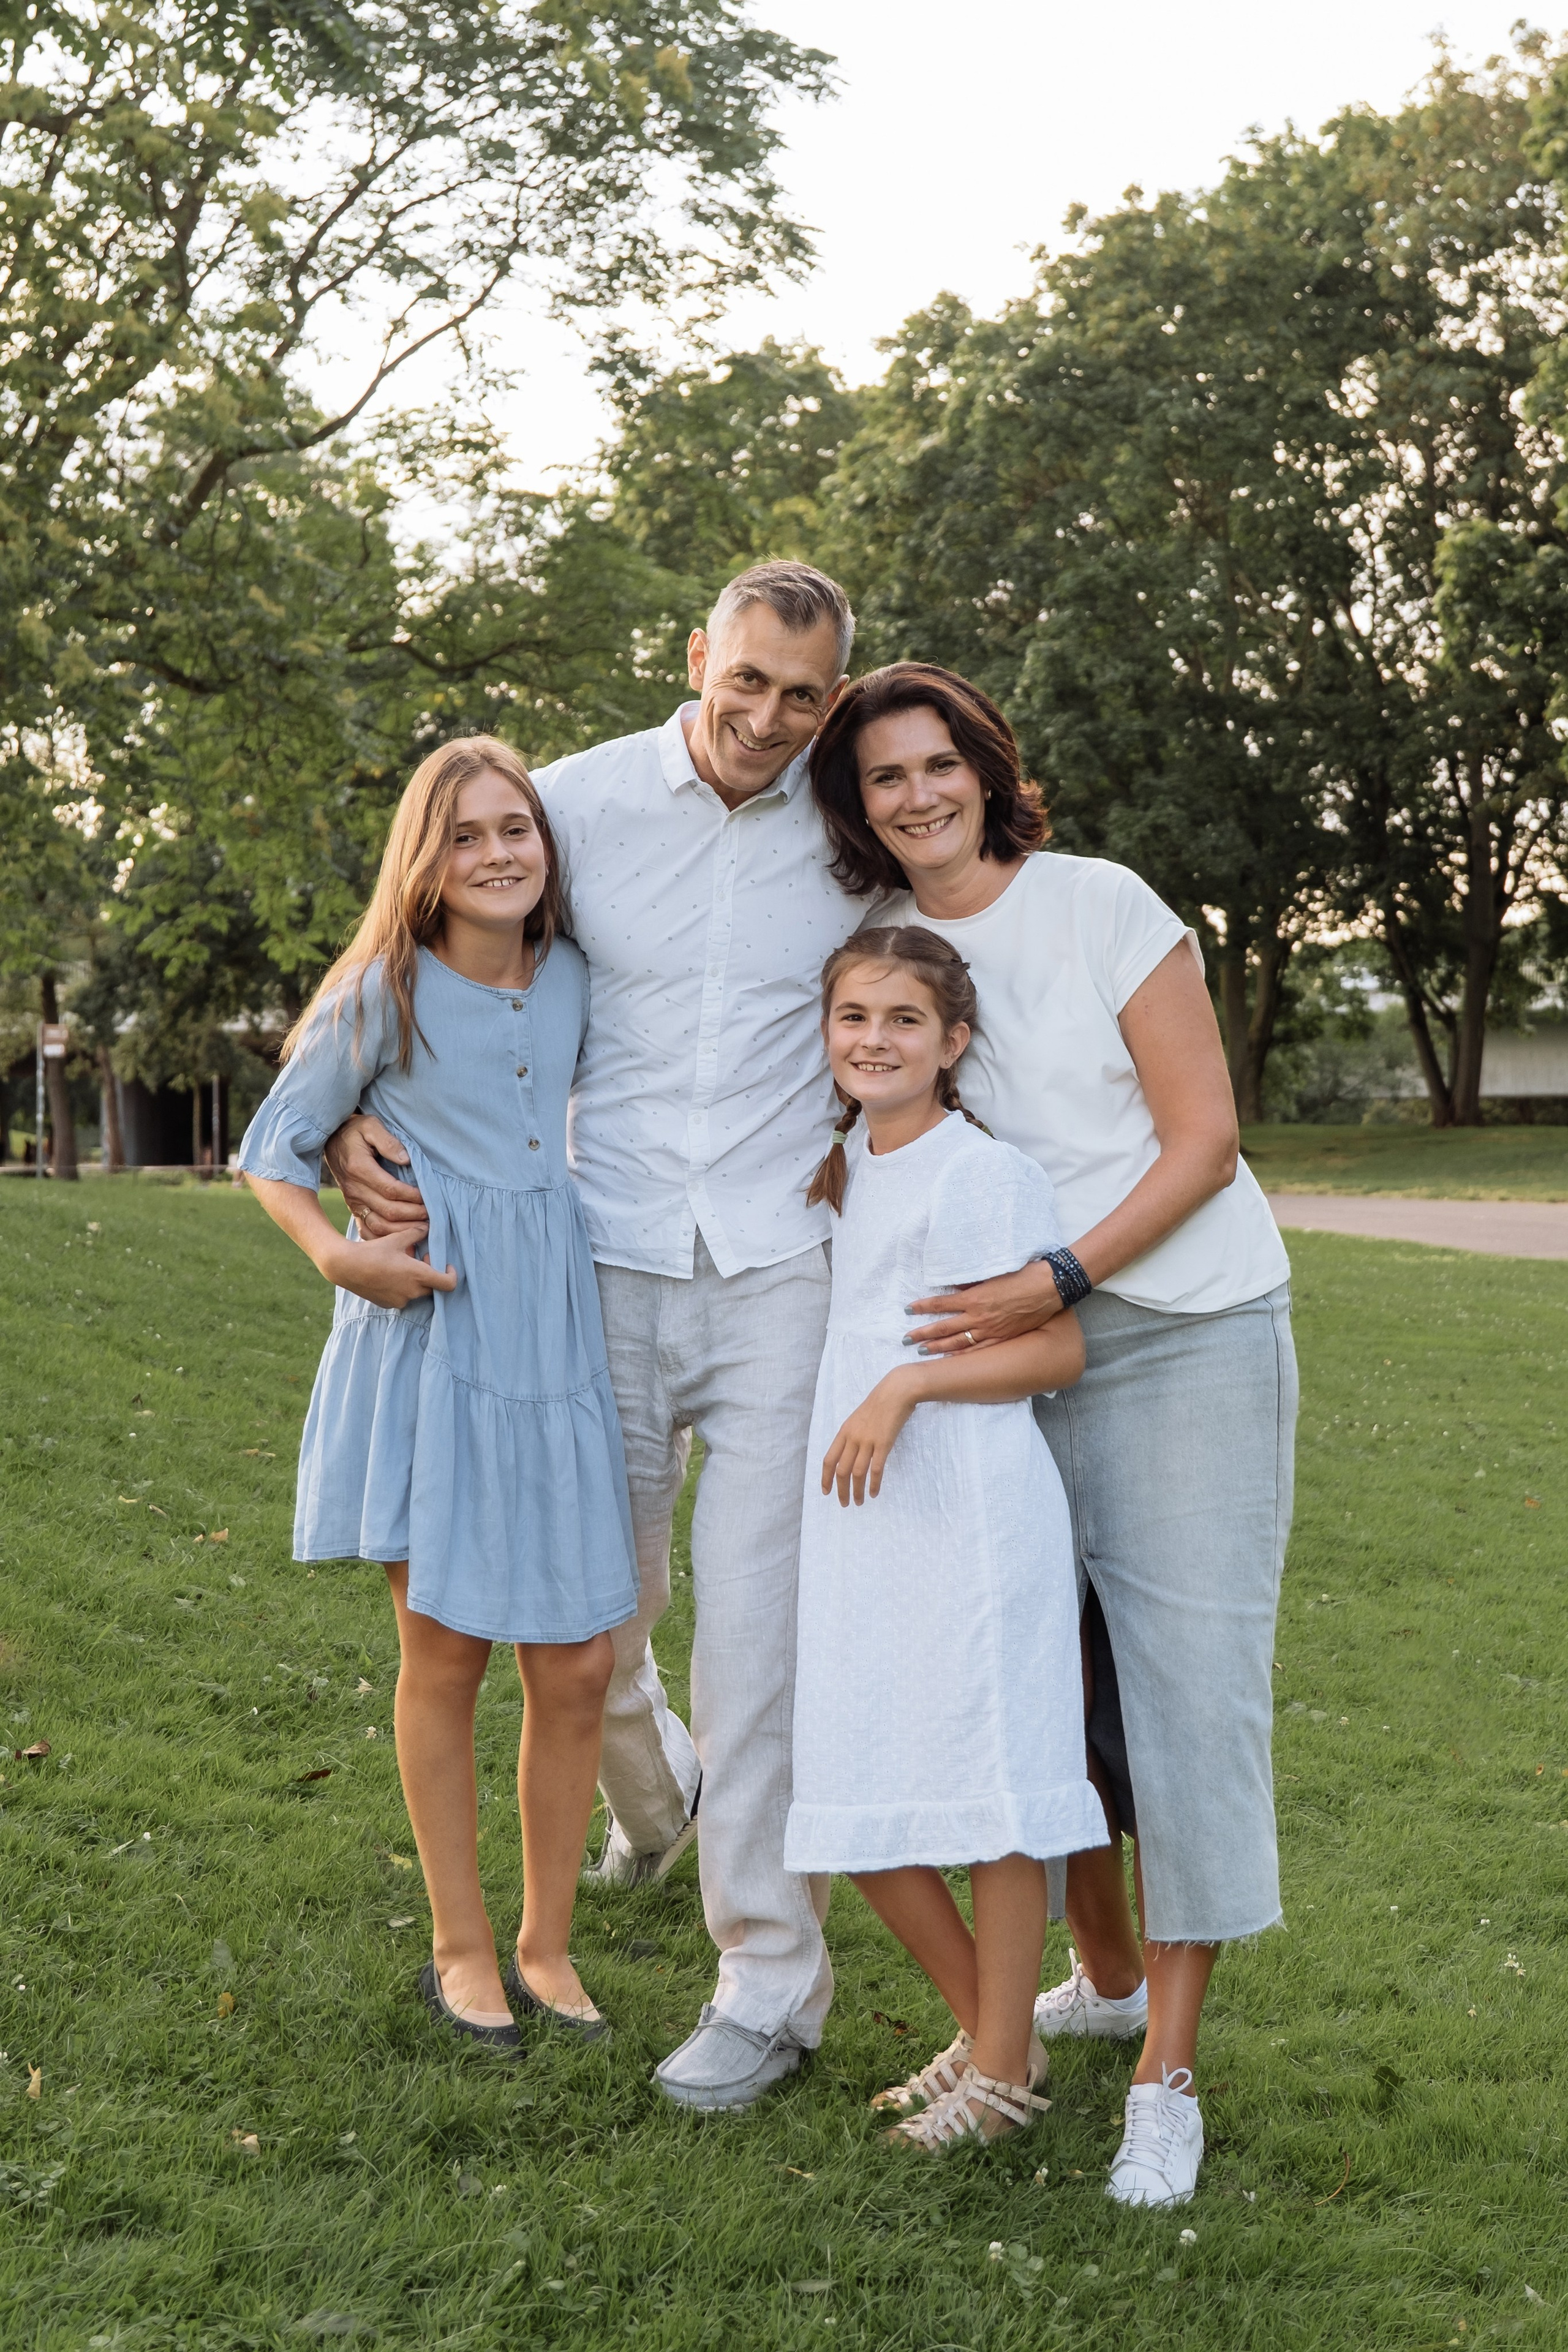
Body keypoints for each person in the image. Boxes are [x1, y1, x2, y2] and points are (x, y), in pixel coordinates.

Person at [323, 563, 873, 2110]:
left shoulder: (850, 833)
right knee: (598, 1630)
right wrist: (348, 1122)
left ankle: (766, 1981)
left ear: (831, 700)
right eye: (746, 678)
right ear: (696, 654)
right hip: (588, 1269)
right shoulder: (558, 808)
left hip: (780, 1270)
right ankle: (656, 1802)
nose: (767, 717)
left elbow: (940, 974)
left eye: (803, 696)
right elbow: (423, 952)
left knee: (757, 1642)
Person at [809, 664, 1295, 2207]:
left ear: (983, 767)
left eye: (935, 764)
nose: (915, 795)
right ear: (859, 808)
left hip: (1181, 1327)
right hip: (1009, 1357)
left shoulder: (1096, 902)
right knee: (1043, 1683)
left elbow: (1205, 1139)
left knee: (1185, 1701)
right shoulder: (888, 962)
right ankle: (1089, 1981)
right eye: (882, 778)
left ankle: (1167, 2073)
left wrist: (1059, 1275)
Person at [238, 737, 638, 2054]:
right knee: (447, 1649)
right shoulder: (381, 990)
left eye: (514, 826)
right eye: (463, 835)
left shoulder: (576, 973)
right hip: (433, 1326)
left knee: (577, 1663)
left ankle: (546, 1943)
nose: (497, 854)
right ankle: (462, 1947)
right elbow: (274, 1154)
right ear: (427, 859)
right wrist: (337, 1250)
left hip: (556, 1330)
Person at [786, 927, 1103, 2149]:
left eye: (903, 1021)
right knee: (855, 1783)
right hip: (869, 1525)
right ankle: (994, 2038)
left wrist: (903, 1390)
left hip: (969, 1510)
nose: (875, 1040)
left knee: (994, 1796)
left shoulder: (979, 1173)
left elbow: (1058, 1349)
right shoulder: (846, 1162)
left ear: (951, 1042)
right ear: (827, 1033)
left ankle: (999, 2078)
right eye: (854, 1017)